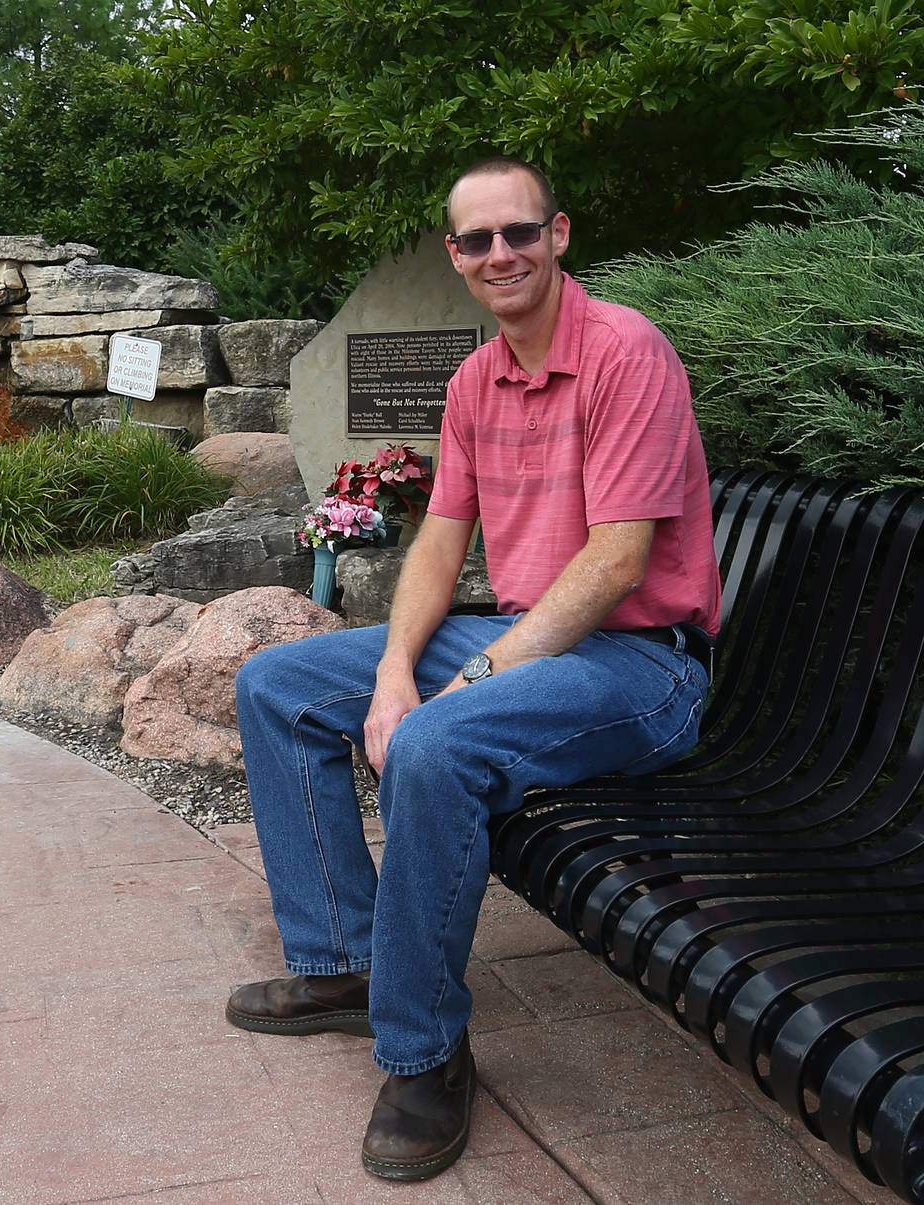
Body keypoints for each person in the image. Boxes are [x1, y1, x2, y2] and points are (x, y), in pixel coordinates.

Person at [227, 156, 722, 1182]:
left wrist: (466, 683)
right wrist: (398, 668)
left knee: (441, 742)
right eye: (478, 239)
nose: (502, 253)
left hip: (639, 663)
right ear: (455, 257)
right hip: (528, 638)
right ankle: (347, 961)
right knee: (276, 687)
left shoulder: (626, 351)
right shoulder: (473, 378)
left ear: (559, 234)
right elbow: (442, 541)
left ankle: (422, 1049)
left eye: (520, 232)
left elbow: (618, 558)